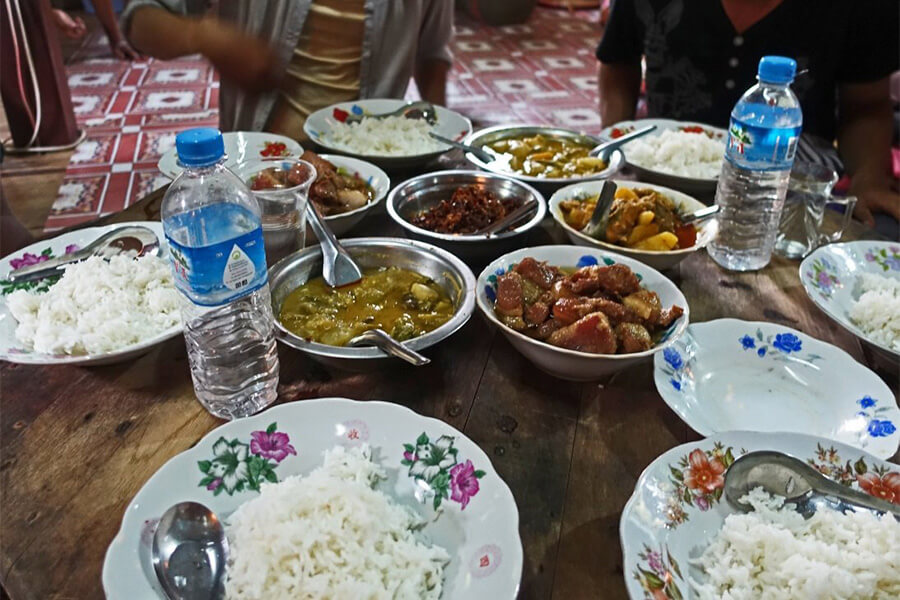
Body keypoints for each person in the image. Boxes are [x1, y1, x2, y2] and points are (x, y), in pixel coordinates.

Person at [595, 0, 899, 230]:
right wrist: (612, 147)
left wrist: (868, 177)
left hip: (781, 192)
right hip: (657, 169)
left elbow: (867, 105)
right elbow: (618, 61)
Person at [120, 1, 453, 140]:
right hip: (256, 161)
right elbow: (140, 20)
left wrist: (438, 140)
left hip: (372, 168)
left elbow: (431, 53)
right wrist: (202, 36)